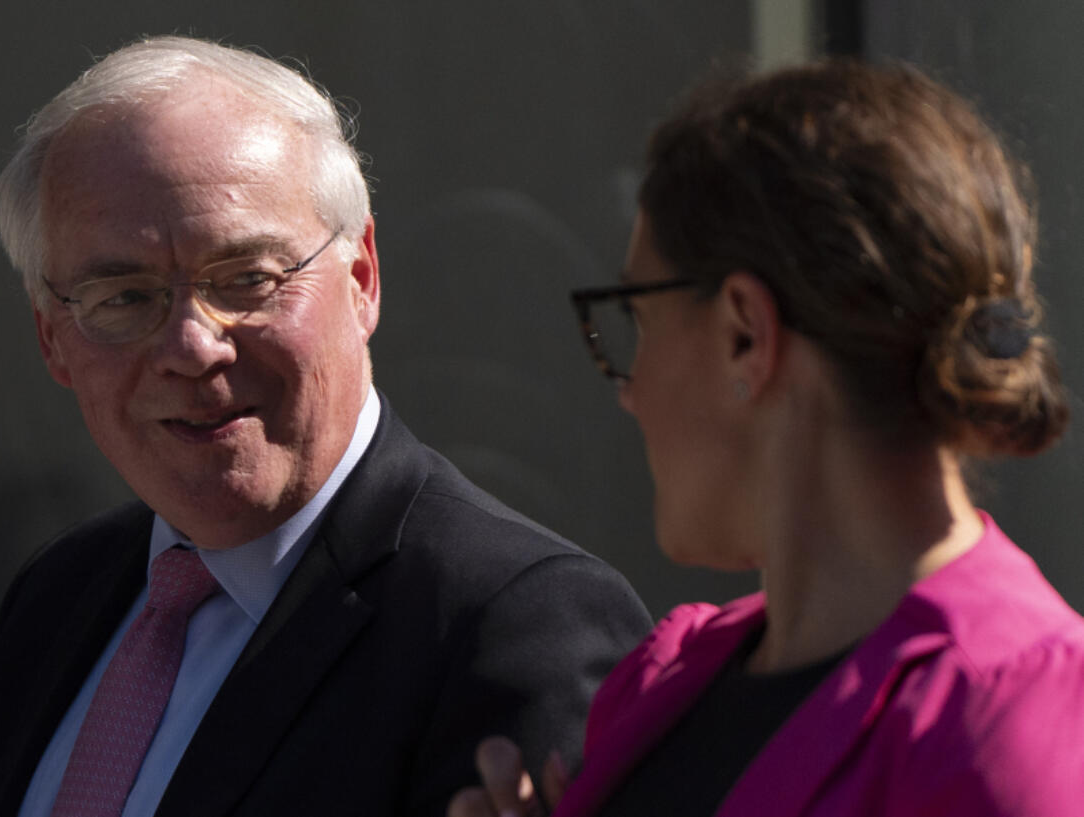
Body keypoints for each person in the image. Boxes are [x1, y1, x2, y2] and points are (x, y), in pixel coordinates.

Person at [0, 35, 652, 817]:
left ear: (362, 278)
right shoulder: (59, 596)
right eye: (124, 298)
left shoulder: (514, 625)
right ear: (53, 339)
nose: (190, 345)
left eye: (247, 279)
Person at [450, 59, 1084, 817]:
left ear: (745, 333)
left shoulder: (1014, 726)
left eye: (637, 321)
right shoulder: (666, 679)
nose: (628, 390)